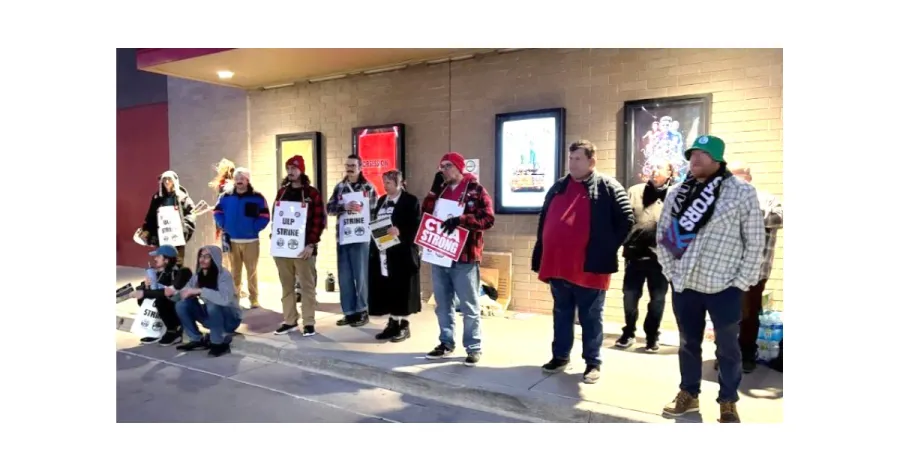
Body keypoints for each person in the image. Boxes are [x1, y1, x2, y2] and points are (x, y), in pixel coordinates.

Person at [656, 135, 764, 423]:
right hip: (685, 284)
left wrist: (742, 282)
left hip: (725, 286)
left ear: (718, 159)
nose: (695, 159)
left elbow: (755, 242)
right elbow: (664, 237)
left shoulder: (741, 192)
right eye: (692, 154)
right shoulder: (678, 193)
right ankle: (688, 394)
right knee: (688, 344)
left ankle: (728, 400)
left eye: (702, 154)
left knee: (728, 349)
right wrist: (671, 272)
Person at [532, 140, 634, 384]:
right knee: (561, 313)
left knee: (591, 317)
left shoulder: (608, 186)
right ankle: (560, 356)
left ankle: (592, 362)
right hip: (558, 266)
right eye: (570, 158)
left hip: (590, 267)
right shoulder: (558, 186)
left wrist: (606, 248)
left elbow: (627, 220)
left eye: (578, 158)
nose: (572, 163)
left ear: (592, 161)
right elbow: (544, 218)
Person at [423, 152, 495, 367]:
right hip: (440, 254)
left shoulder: (475, 190)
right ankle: (446, 342)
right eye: (441, 166)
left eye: (447, 166)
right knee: (442, 304)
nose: (443, 170)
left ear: (458, 166)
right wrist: (433, 190)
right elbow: (425, 212)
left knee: (469, 305)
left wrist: (462, 220)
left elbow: (488, 218)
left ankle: (473, 347)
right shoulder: (441, 190)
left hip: (464, 256)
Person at [616, 159, 673, 352]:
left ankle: (652, 335)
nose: (655, 170)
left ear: (670, 173)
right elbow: (623, 219)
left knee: (657, 299)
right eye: (653, 166)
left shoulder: (675, 195)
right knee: (630, 296)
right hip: (634, 256)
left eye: (660, 167)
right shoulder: (634, 191)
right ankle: (629, 331)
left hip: (662, 259)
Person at [731, 163, 783, 373]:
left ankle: (746, 355)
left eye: (737, 178)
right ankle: (726, 354)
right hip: (726, 270)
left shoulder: (767, 198)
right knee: (726, 316)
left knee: (749, 314)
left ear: (748, 178)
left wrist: (749, 211)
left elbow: (779, 218)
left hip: (756, 270)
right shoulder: (724, 201)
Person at [272, 155, 326, 336]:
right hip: (283, 249)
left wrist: (311, 244)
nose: (290, 171)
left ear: (301, 170)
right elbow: (277, 218)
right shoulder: (282, 192)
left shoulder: (312, 193)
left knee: (307, 286)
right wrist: (275, 237)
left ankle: (309, 322)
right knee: (286, 286)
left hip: (304, 249)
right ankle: (289, 320)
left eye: (294, 168)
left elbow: (319, 220)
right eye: (288, 168)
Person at [369, 169, 422, 342]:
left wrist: (400, 231)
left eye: (389, 183)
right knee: (388, 287)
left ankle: (404, 325)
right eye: (384, 183)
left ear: (399, 183)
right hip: (384, 251)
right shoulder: (382, 200)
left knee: (403, 289)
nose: (385, 186)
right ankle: (392, 323)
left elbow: (416, 225)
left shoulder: (410, 201)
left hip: (403, 253)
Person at [326, 154, 379, 328]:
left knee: (361, 276)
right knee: (345, 277)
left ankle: (362, 310)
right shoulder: (340, 187)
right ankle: (349, 312)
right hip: (343, 237)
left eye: (353, 165)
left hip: (362, 238)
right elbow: (329, 208)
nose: (349, 168)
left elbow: (374, 214)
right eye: (347, 165)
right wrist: (343, 207)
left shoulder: (368, 187)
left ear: (360, 167)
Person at [213, 167, 270, 309]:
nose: (239, 181)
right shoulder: (226, 196)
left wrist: (254, 228)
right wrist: (223, 224)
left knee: (252, 271)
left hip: (251, 241)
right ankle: (235, 298)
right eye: (237, 178)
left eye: (242, 178)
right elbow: (217, 211)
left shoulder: (257, 197)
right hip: (232, 240)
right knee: (235, 272)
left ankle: (254, 299)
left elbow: (265, 216)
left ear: (247, 180)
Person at [173, 245, 243, 357]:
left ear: (215, 259)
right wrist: (170, 293)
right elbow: (185, 291)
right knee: (181, 304)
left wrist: (200, 291)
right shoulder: (198, 275)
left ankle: (218, 343)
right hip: (212, 319)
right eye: (201, 256)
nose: (202, 259)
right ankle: (196, 339)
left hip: (230, 320)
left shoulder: (224, 275)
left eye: (207, 257)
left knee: (213, 305)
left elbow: (224, 300)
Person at [131, 245, 193, 346]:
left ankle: (174, 330)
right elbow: (145, 292)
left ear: (167, 260)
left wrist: (146, 291)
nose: (155, 259)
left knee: (160, 299)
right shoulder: (159, 273)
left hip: (182, 307)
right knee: (144, 297)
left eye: (158, 256)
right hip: (167, 307)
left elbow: (169, 292)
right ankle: (155, 328)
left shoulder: (181, 272)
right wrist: (146, 286)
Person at [139, 170, 196, 264]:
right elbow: (151, 216)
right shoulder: (157, 198)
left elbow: (191, 213)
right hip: (162, 238)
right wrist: (147, 230)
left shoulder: (182, 198)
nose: (167, 182)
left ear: (174, 181)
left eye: (169, 179)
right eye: (164, 179)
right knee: (163, 263)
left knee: (177, 263)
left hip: (177, 238)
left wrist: (184, 228)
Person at [209, 158, 236, 263]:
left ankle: (232, 276)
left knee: (229, 254)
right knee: (230, 254)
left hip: (228, 225)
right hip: (229, 224)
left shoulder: (227, 186)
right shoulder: (228, 185)